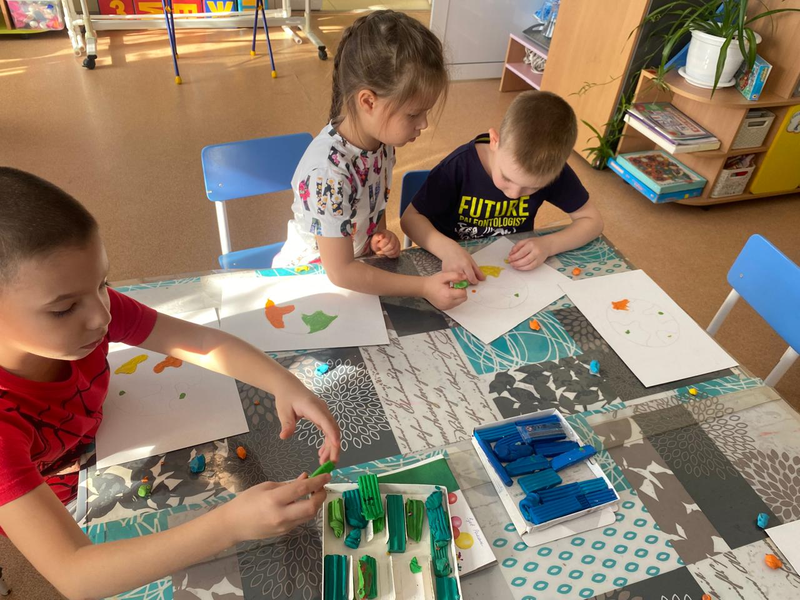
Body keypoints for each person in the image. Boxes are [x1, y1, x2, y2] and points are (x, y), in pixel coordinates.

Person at [0, 167, 341, 600]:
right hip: (45, 495)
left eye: (103, 284)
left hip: (92, 449)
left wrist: (283, 382)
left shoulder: (89, 311)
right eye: (63, 309)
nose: (102, 316)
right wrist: (230, 525)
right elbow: (76, 574)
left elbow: (201, 342)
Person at [273, 10, 466, 310]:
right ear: (368, 102)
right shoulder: (327, 174)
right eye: (414, 114)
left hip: (357, 272)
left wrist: (379, 236)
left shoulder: (381, 144)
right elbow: (340, 271)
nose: (424, 124)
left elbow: (372, 204)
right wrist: (424, 287)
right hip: (308, 284)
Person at [401, 90, 604, 284]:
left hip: (513, 270)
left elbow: (592, 221)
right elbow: (410, 219)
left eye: (531, 188)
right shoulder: (458, 167)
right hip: (449, 264)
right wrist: (447, 250)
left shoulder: (549, 168)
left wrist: (549, 244)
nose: (514, 194)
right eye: (507, 178)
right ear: (495, 141)